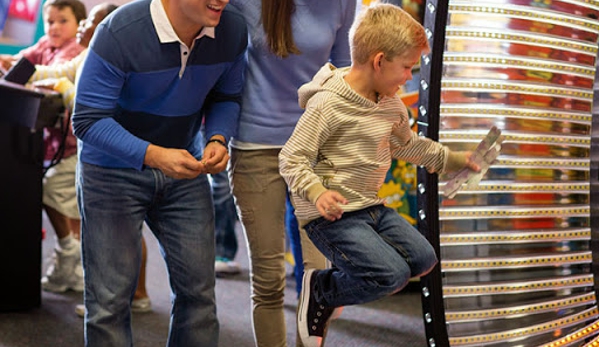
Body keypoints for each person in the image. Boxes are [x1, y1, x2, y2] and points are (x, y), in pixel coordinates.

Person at [278, 4, 481, 347]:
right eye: (405, 68)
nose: (407, 77)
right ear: (379, 60)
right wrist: (317, 192)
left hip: (371, 207)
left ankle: (339, 285)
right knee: (390, 275)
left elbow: (409, 146)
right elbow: (291, 157)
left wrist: (455, 159)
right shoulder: (327, 105)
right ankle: (323, 288)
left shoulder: (391, 104)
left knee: (424, 258)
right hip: (334, 216)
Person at [71, 0, 247, 345]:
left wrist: (217, 137)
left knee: (198, 295)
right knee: (109, 302)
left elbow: (228, 95)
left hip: (184, 169)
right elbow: (87, 120)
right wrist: (153, 155)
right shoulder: (119, 33)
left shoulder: (233, 28)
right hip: (110, 173)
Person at [227, 1, 356, 346]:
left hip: (314, 151)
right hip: (256, 148)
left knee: (319, 283)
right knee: (268, 280)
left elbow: (343, 70)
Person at [30, 2, 153, 315]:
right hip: (104, 155)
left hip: (118, 154)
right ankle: (125, 295)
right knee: (113, 227)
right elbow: (58, 72)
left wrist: (61, 86)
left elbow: (86, 108)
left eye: (91, 23)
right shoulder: (87, 54)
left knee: (122, 228)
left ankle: (130, 295)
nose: (83, 27)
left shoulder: (118, 58)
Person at [5, 0, 87, 294]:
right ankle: (70, 268)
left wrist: (30, 74)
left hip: (74, 145)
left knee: (51, 193)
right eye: (50, 21)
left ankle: (70, 256)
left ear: (79, 25)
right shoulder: (45, 44)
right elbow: (21, 62)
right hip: (52, 145)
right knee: (67, 205)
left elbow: (52, 78)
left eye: (62, 21)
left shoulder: (76, 53)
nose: (54, 27)